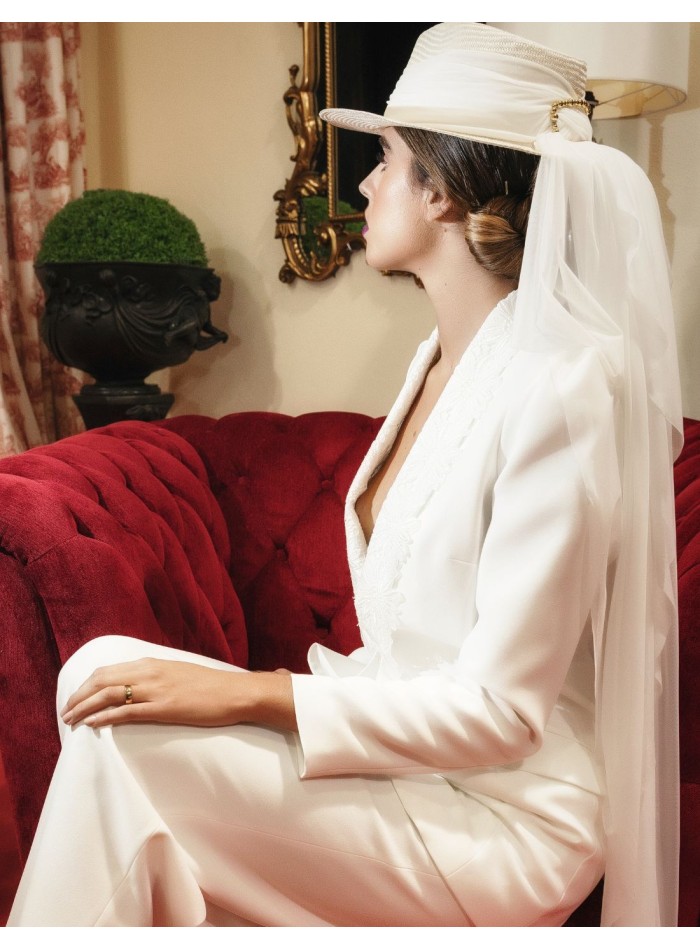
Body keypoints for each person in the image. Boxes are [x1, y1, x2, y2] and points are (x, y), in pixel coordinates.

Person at [8, 22, 682, 927]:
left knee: (129, 751)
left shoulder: (567, 382)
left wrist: (251, 694)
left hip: (502, 815)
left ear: (443, 192)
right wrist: (251, 702)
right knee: (102, 672)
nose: (364, 181)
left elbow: (503, 716)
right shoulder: (440, 361)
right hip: (408, 769)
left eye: (389, 159)